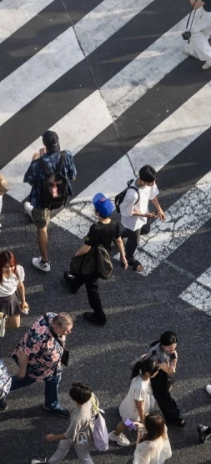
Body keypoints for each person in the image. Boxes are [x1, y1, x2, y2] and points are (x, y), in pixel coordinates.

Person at [64, 194, 128, 325]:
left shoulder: (95, 228)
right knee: (83, 274)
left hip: (93, 260)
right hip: (104, 257)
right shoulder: (115, 223)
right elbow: (118, 240)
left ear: (97, 212)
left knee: (92, 288)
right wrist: (123, 256)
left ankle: (100, 316)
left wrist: (75, 254)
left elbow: (86, 248)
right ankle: (74, 285)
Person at [23, 130, 77, 273]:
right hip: (60, 196)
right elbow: (73, 177)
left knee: (42, 228)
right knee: (44, 213)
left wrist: (36, 160)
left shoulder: (37, 164)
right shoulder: (67, 155)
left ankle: (45, 262)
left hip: (41, 201)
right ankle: (35, 215)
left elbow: (31, 183)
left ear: (44, 144)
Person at [8, 312, 73, 416]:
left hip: (52, 367)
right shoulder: (38, 337)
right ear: (55, 327)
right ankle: (2, 388)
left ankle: (51, 405)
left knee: (54, 379)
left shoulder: (53, 317)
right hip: (37, 367)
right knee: (22, 380)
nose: (69, 332)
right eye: (66, 330)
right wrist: (22, 371)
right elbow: (24, 354)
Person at [29, 381, 97, 464]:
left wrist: (53, 437)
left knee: (84, 456)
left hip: (82, 436)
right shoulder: (91, 396)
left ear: (75, 399)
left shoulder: (79, 417)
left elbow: (67, 435)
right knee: (63, 445)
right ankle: (51, 463)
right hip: (87, 428)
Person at [116, 164, 165, 273]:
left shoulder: (149, 183)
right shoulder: (132, 195)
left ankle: (119, 235)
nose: (153, 184)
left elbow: (152, 195)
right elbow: (127, 212)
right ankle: (128, 258)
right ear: (142, 180)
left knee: (146, 230)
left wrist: (159, 209)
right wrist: (145, 215)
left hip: (144, 214)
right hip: (134, 222)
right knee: (134, 242)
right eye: (151, 183)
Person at [135, 332, 184, 427]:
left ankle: (173, 414)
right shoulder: (158, 355)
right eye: (170, 347)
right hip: (156, 375)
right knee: (162, 396)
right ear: (163, 345)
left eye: (174, 346)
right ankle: (173, 417)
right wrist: (175, 359)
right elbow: (170, 371)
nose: (172, 349)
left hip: (157, 371)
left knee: (163, 394)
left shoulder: (160, 347)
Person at [109, 358, 157, 447]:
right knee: (125, 423)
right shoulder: (140, 387)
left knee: (127, 421)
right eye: (155, 372)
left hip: (128, 406)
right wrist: (143, 421)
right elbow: (140, 406)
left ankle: (119, 432)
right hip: (132, 413)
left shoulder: (139, 373)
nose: (156, 373)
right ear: (147, 373)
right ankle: (115, 435)